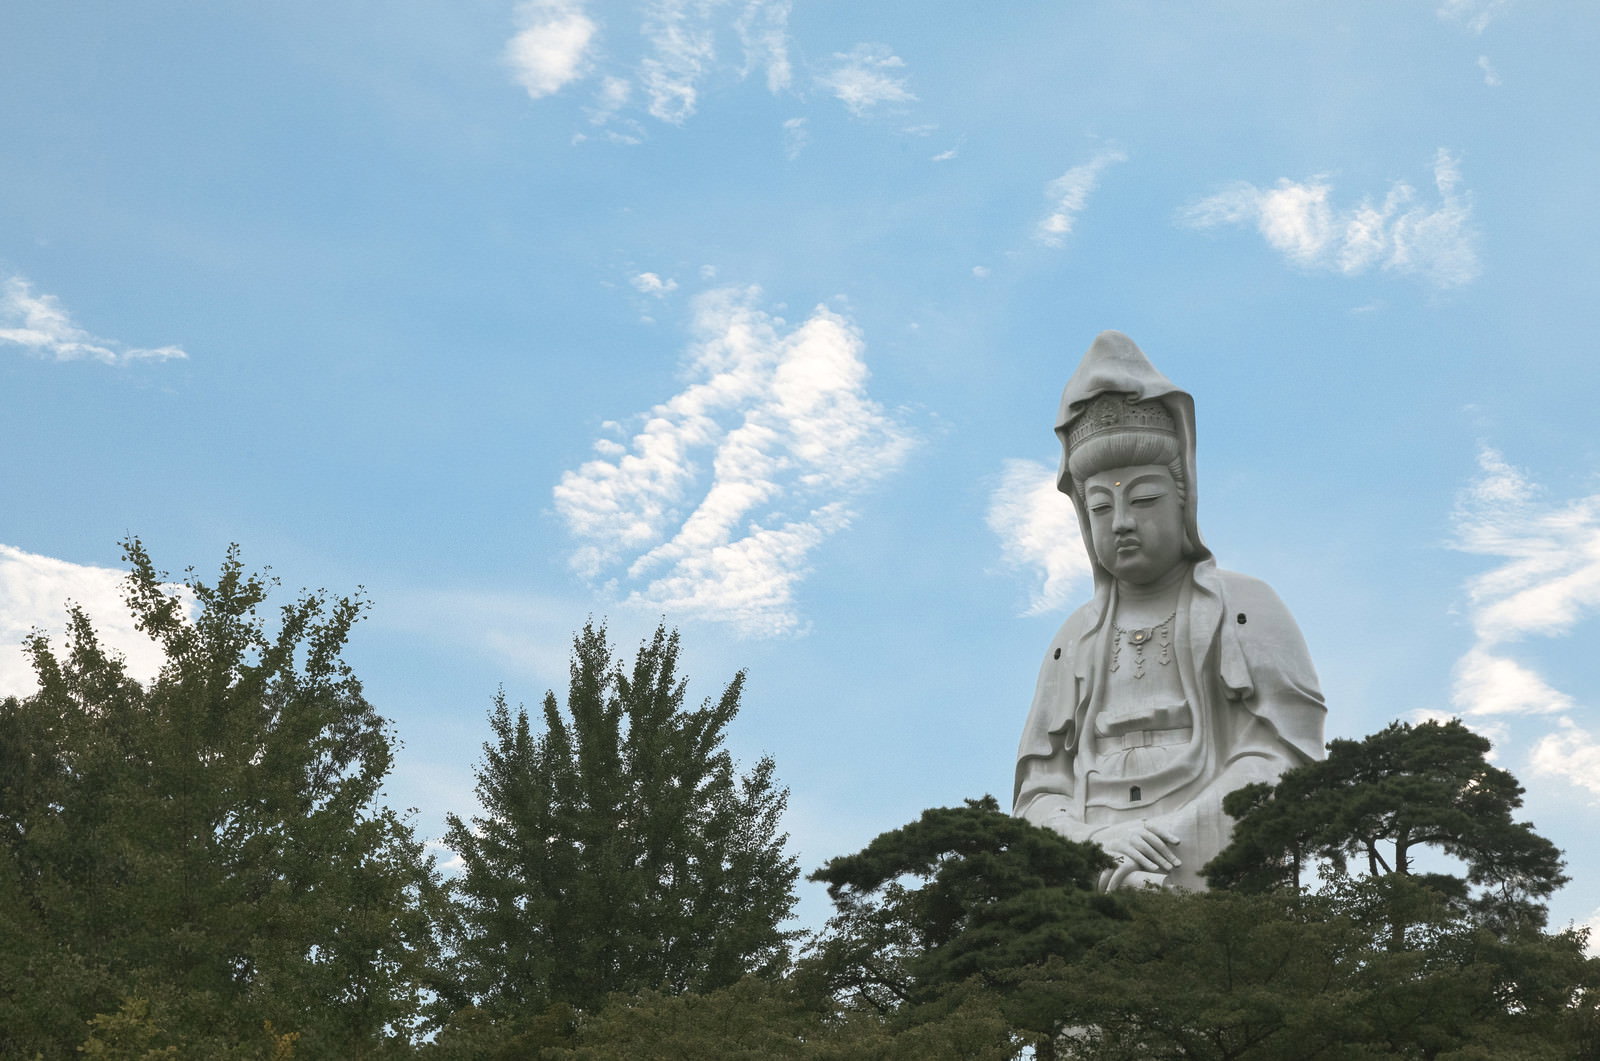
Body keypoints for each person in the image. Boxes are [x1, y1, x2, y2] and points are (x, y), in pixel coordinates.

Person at [1013, 331, 1326, 890]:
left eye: (1144, 499)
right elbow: (1039, 793)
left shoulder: (1243, 605)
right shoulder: (1073, 637)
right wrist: (1092, 847)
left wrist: (1169, 840)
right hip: (1094, 854)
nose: (1122, 523)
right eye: (1101, 507)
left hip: (1205, 844)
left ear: (1183, 500)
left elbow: (1284, 758)